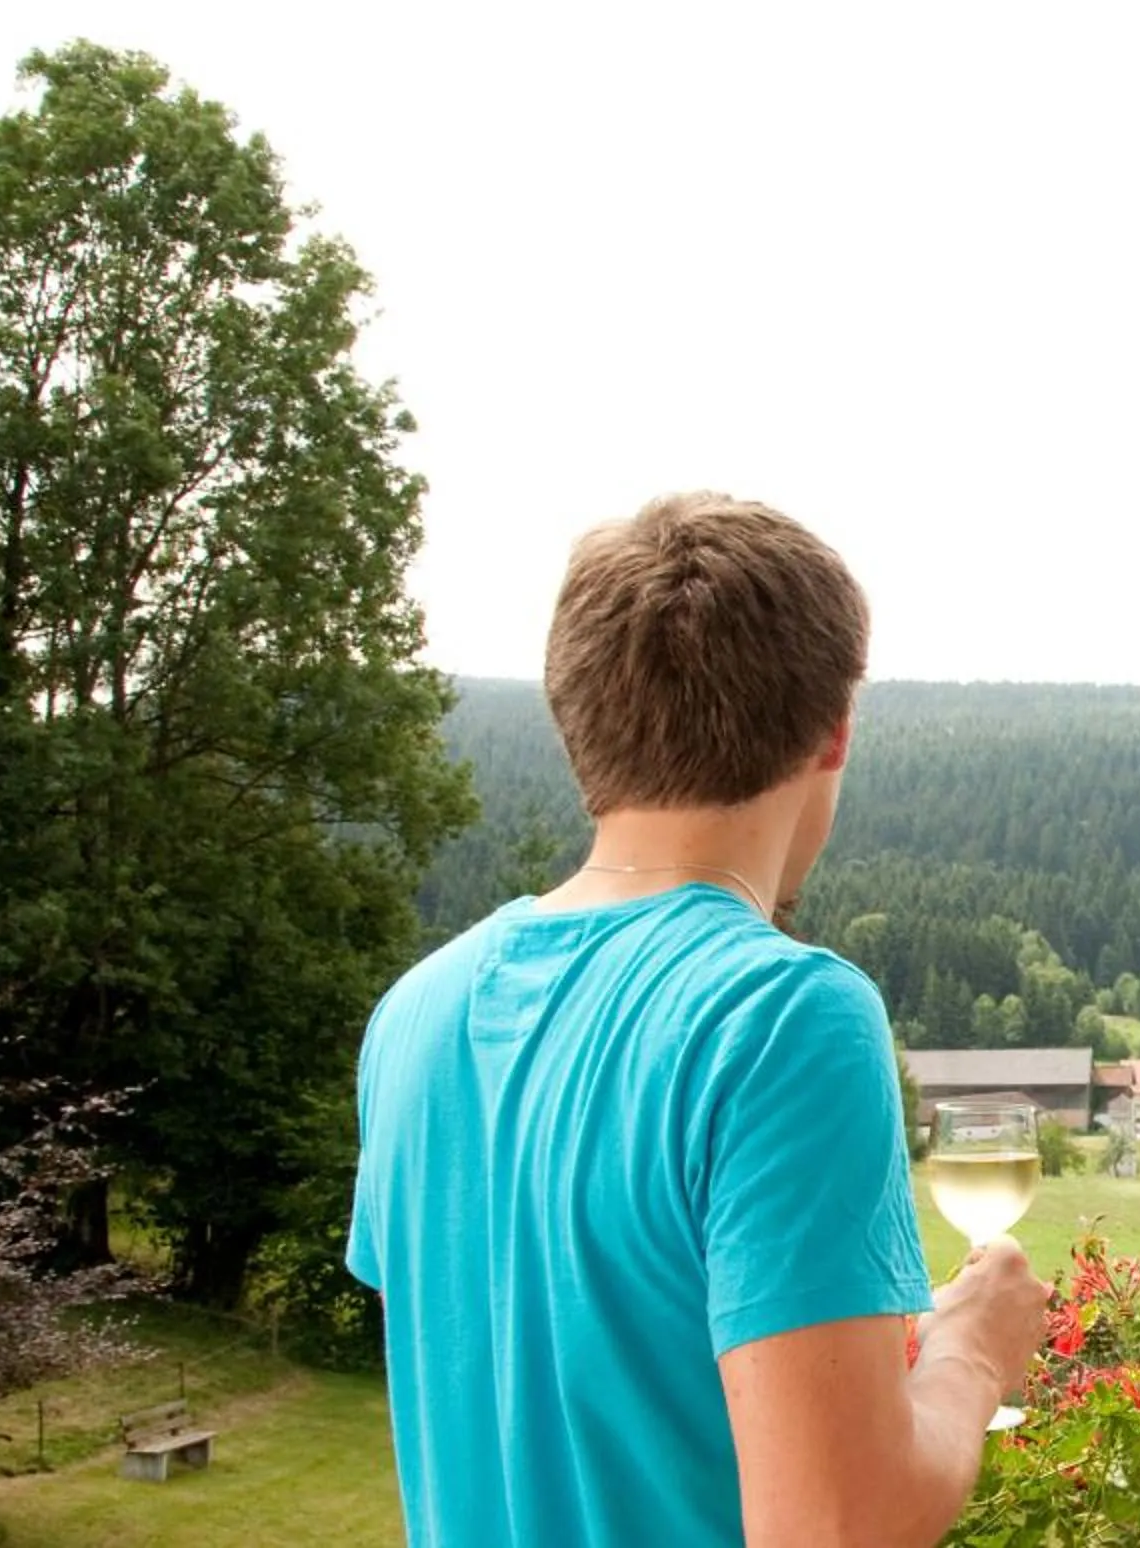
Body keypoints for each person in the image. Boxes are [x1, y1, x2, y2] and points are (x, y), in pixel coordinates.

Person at [348, 493, 1048, 1546]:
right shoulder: (783, 1017)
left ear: (579, 719)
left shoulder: (414, 1012)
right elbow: (838, 1528)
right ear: (834, 730)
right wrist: (976, 1351)